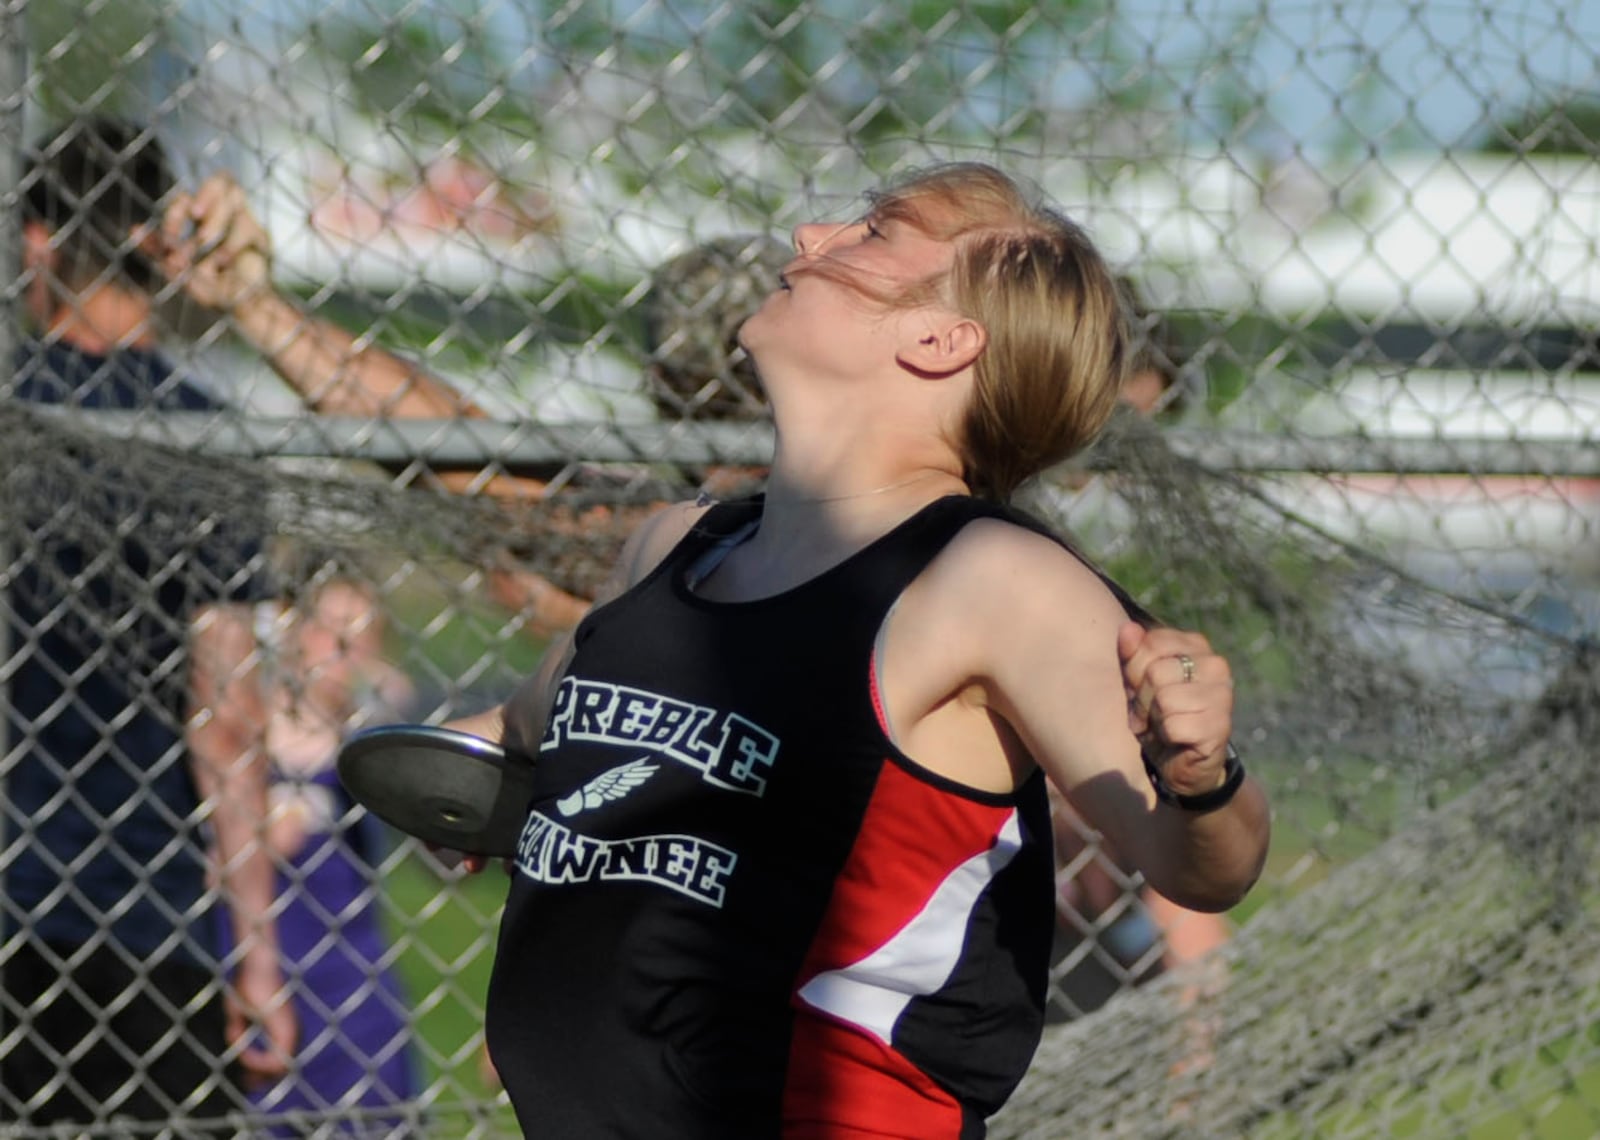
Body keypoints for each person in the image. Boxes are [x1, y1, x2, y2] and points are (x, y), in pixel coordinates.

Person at [442, 161, 1270, 1136]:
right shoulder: (673, 550)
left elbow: (1199, 865)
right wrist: (455, 776)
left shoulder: (988, 580)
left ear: (940, 340)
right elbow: (534, 725)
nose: (808, 239)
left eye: (873, 235)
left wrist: (1201, 771)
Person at [1, 117, 295, 1129]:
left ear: (37, 242)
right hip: (147, 908)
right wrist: (254, 947)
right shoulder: (202, 434)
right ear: (155, 242)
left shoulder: (11, 415)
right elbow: (224, 713)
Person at [220, 566, 423, 1134]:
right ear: (293, 629)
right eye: (329, 629)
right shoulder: (243, 733)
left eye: (361, 635)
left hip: (353, 988)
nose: (341, 649)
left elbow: (393, 701)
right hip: (258, 976)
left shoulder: (365, 739)